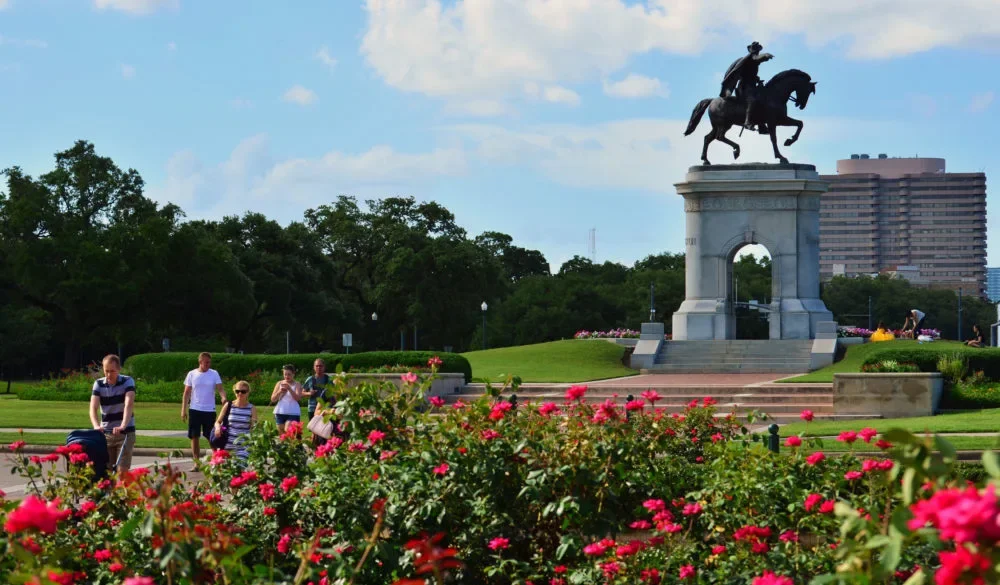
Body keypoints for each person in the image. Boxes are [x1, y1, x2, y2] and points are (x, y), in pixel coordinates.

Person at [89, 354, 136, 475]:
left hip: (125, 433)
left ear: (119, 369)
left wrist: (123, 425)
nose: (109, 375)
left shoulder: (127, 381)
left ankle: (124, 487)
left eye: (112, 371)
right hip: (107, 432)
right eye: (106, 371)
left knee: (122, 471)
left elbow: (128, 404)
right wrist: (96, 426)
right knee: (108, 472)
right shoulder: (99, 384)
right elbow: (93, 407)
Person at [720, 41, 774, 132]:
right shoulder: (749, 59)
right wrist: (765, 55)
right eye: (756, 49)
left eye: (758, 50)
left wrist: (757, 79)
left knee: (763, 98)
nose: (757, 51)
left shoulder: (753, 62)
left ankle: (761, 125)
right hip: (744, 87)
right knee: (752, 100)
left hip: (752, 86)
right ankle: (747, 122)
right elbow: (756, 58)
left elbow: (751, 73)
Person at [181, 352, 225, 461]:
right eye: (206, 362)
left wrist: (223, 397)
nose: (208, 364)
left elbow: (220, 388)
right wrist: (183, 410)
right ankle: (196, 462)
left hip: (209, 410)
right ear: (200, 362)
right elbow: (186, 393)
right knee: (194, 436)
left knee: (211, 436)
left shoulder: (214, 373)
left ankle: (217, 460)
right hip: (195, 409)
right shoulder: (192, 374)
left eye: (209, 362)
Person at [214, 380, 257, 461]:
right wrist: (217, 428)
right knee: (224, 467)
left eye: (243, 391)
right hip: (226, 445)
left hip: (243, 446)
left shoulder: (252, 408)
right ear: (234, 392)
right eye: (237, 391)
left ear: (248, 393)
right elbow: (218, 422)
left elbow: (254, 428)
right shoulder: (228, 405)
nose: (240, 393)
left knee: (239, 465)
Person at [271, 364, 304, 433]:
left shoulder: (297, 384)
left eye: (289, 374)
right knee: (281, 433)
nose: (287, 376)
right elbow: (273, 399)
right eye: (285, 374)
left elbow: (298, 398)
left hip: (293, 412)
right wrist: (280, 391)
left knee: (288, 430)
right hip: (280, 411)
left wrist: (289, 389)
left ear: (293, 374)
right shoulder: (279, 383)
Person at [302, 358, 332, 423]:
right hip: (312, 408)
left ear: (324, 367)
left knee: (326, 428)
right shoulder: (310, 379)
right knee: (313, 427)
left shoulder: (329, 379)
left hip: (325, 409)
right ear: (314, 367)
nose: (318, 367)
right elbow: (301, 392)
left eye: (320, 366)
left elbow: (334, 392)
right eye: (317, 366)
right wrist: (309, 393)